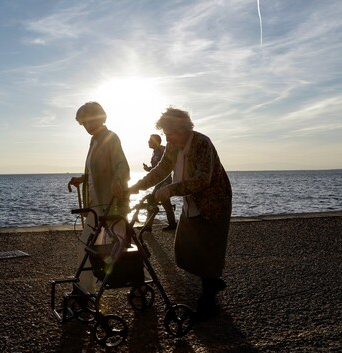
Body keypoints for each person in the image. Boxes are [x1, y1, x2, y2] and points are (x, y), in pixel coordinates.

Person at [129, 107, 232, 320]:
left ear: (183, 129)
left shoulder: (202, 143)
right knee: (184, 247)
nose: (167, 137)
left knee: (208, 249)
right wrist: (137, 186)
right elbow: (161, 169)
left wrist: (170, 190)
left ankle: (209, 298)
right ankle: (211, 281)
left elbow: (204, 179)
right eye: (165, 133)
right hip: (191, 202)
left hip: (213, 203)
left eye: (170, 133)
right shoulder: (174, 145)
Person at [68, 101, 130, 292]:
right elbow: (96, 171)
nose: (87, 126)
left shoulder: (110, 138)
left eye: (90, 121)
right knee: (96, 246)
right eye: (84, 123)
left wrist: (117, 181)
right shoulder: (94, 141)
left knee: (119, 246)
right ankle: (84, 288)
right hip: (97, 206)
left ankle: (138, 281)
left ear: (101, 117)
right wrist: (82, 179)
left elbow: (122, 165)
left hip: (111, 205)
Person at [142, 134, 177, 231]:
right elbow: (157, 169)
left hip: (164, 181)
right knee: (165, 203)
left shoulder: (163, 151)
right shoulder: (155, 152)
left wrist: (168, 183)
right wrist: (148, 169)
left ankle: (148, 226)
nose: (148, 142)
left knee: (152, 201)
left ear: (155, 141)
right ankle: (172, 224)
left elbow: (167, 166)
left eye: (150, 140)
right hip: (159, 182)